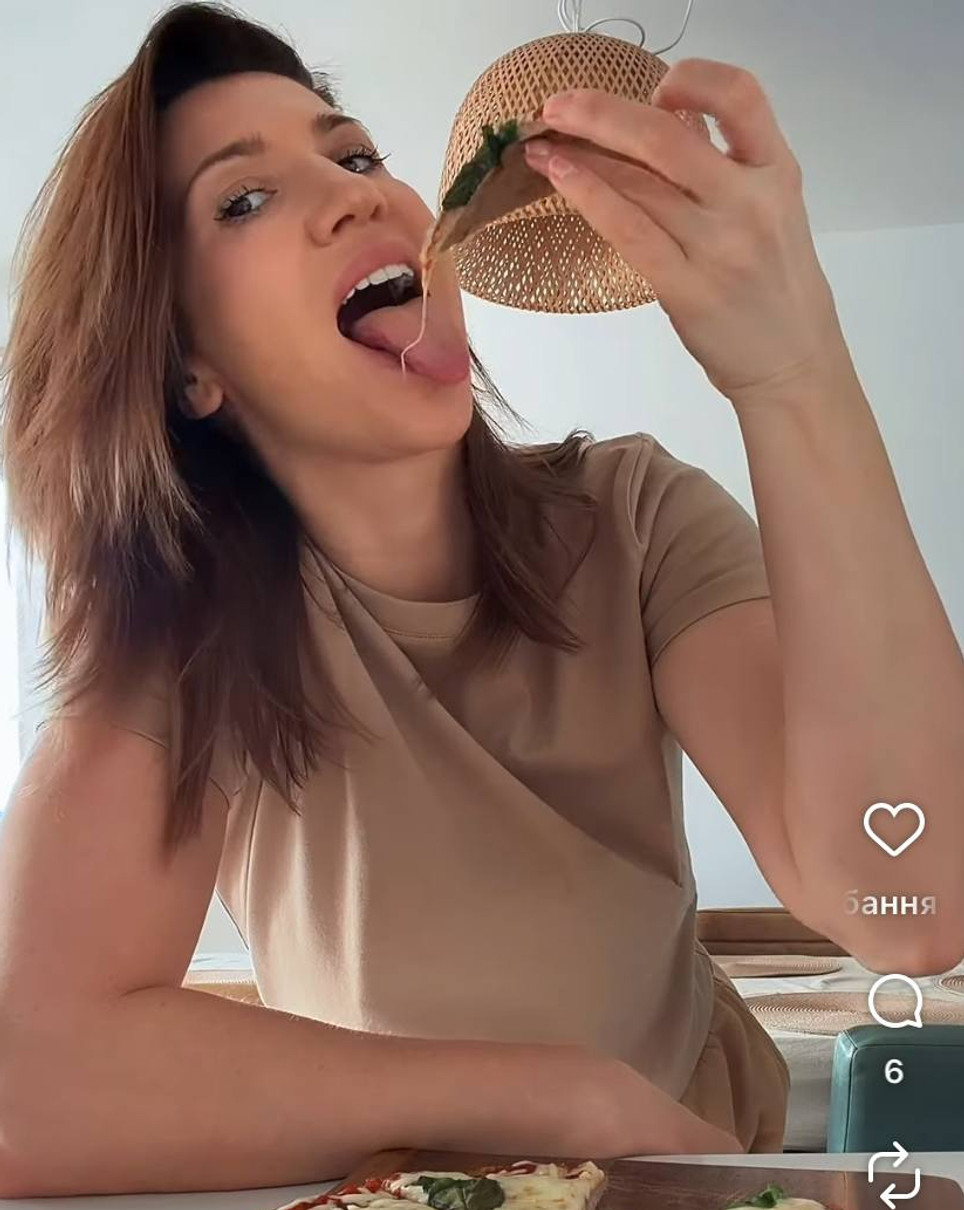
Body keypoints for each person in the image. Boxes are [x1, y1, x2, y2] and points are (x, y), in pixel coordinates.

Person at [4, 0, 963, 1200]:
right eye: (241, 199)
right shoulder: (180, 630)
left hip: (691, 1168)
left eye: (356, 155)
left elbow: (910, 903)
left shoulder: (635, 515)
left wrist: (794, 371)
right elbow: (24, 1082)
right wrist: (552, 1096)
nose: (355, 193)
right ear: (188, 365)